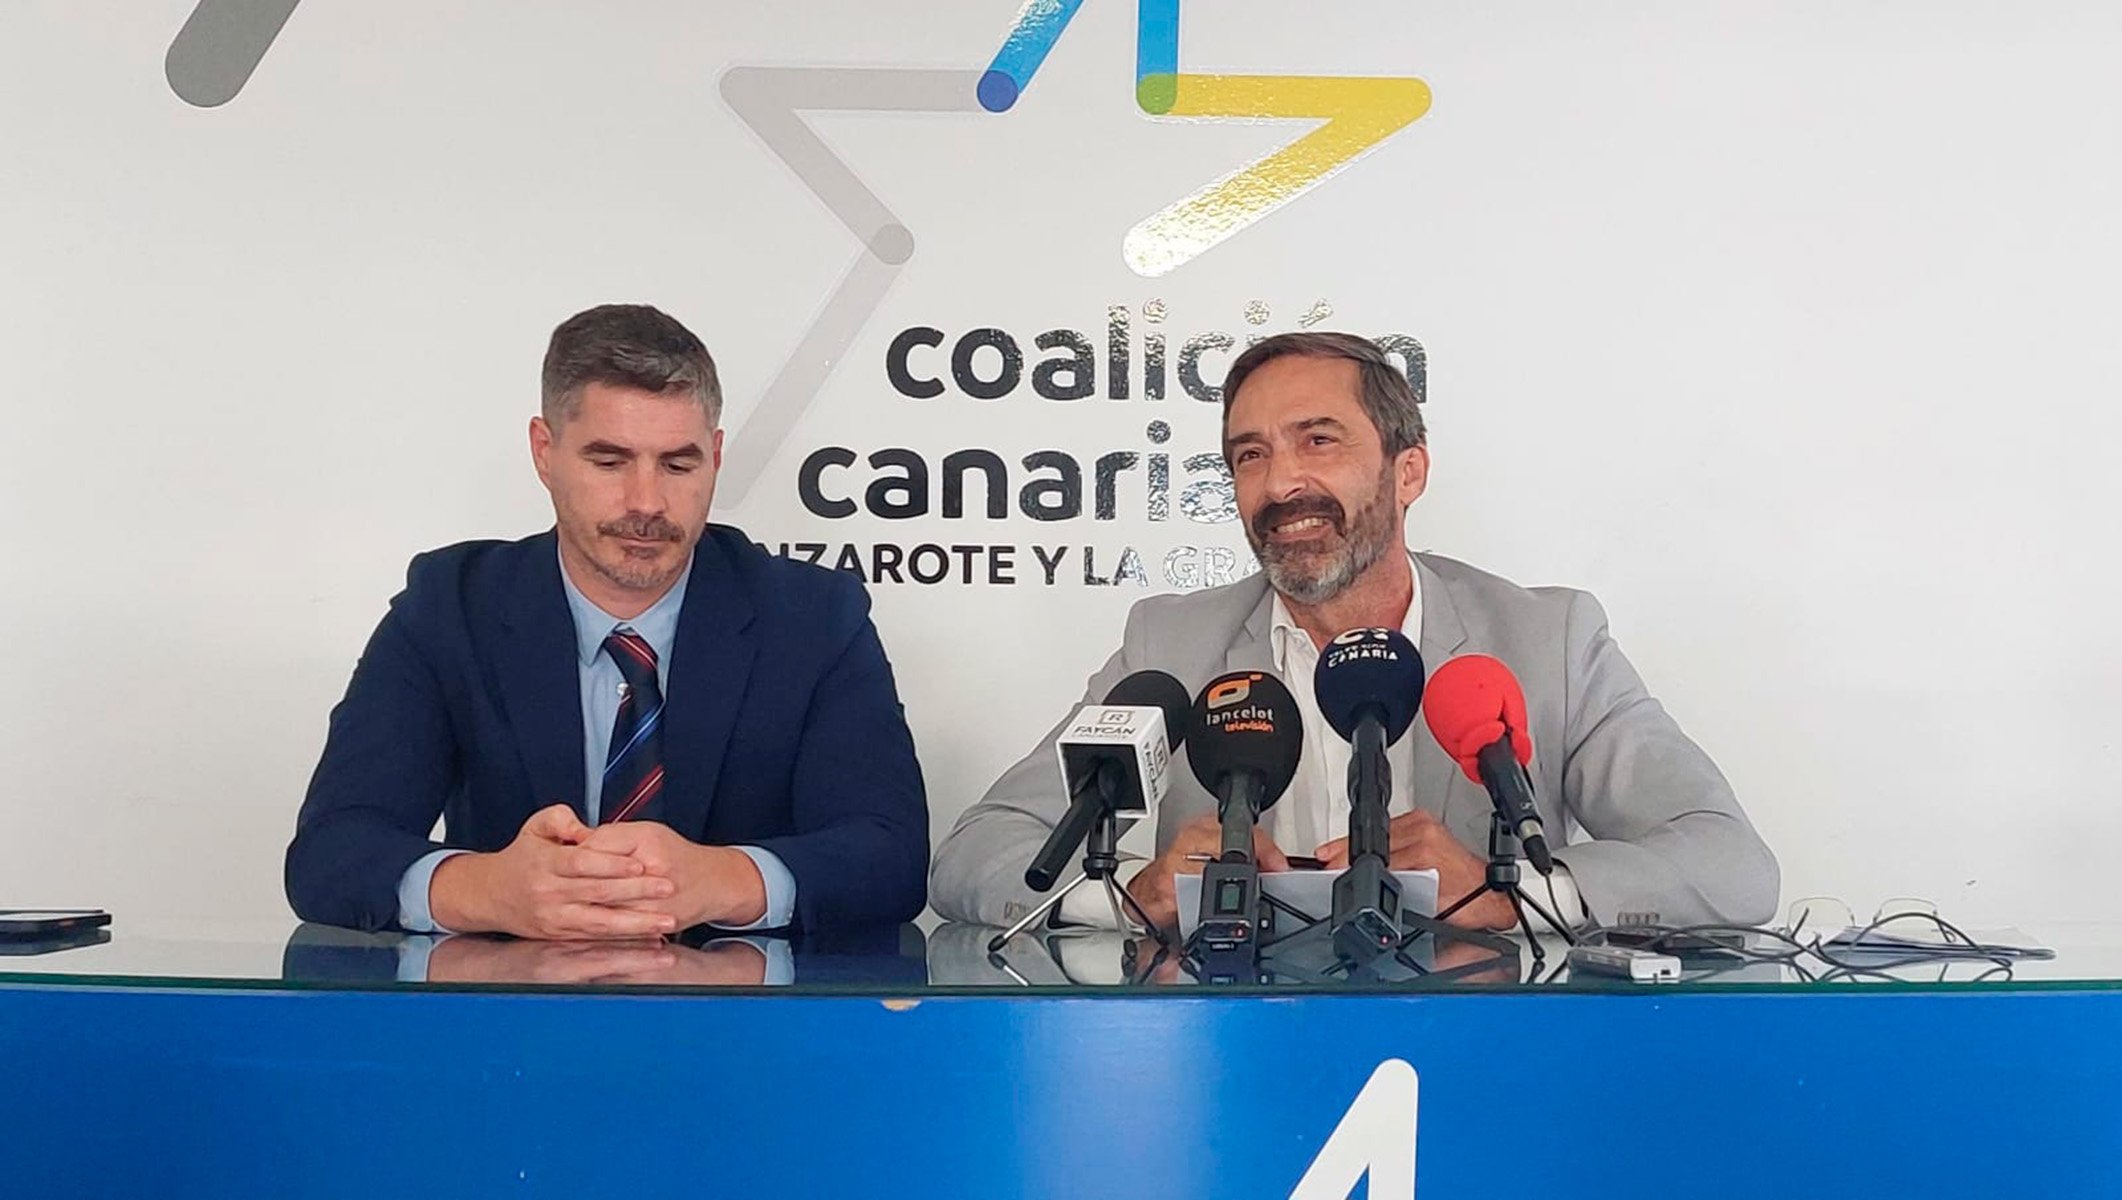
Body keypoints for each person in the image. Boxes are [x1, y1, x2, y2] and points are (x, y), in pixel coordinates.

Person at [930, 331, 1776, 934]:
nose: (1281, 481)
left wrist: (1509, 893)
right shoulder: (1170, 647)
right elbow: (977, 854)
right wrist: (1123, 896)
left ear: (1409, 471)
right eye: (1249, 455)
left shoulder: (1545, 638)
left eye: (1319, 441)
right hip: (1230, 1050)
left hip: (1476, 1053)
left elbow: (1729, 862)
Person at [287, 304, 928, 937]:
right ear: (545, 451)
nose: (647, 503)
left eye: (679, 465)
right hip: (515, 1025)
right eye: (610, 462)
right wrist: (489, 892)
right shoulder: (449, 608)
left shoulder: (815, 620)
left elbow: (890, 858)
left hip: (745, 1029)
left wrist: (722, 880)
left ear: (717, 456)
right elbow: (331, 853)